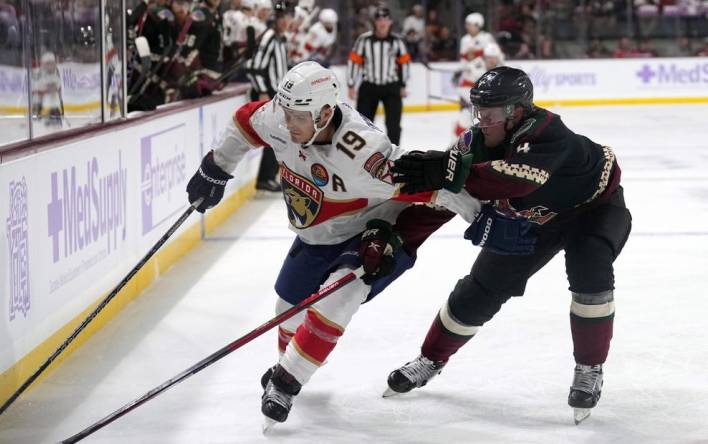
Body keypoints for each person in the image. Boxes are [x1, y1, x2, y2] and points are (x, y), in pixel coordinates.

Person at [185, 61, 488, 429]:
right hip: (314, 236)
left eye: (298, 116)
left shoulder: (361, 153)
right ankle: (290, 361)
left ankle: (287, 381)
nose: (286, 122)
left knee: (340, 295)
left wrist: (482, 219)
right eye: (285, 112)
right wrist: (217, 166)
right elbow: (246, 121)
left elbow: (431, 186)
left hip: (369, 232)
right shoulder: (280, 117)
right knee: (287, 308)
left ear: (325, 113)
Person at [385, 67, 632, 425]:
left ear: (517, 112)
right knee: (482, 288)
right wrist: (399, 240)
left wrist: (452, 172)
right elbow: (444, 201)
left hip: (594, 211)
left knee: (590, 271)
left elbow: (515, 180)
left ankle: (590, 367)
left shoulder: (549, 133)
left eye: (492, 113)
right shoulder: (471, 146)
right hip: (537, 218)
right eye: (478, 111)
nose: (482, 120)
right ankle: (431, 358)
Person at [246, 0, 293, 193]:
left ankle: (271, 175)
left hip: (280, 94)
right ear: (276, 17)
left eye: (288, 17)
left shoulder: (282, 39)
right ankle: (265, 178)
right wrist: (264, 90)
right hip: (271, 94)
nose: (285, 21)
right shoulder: (270, 37)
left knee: (281, 135)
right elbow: (253, 67)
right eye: (282, 17)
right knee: (275, 135)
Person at [347, 6, 411, 146]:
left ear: (390, 22)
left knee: (394, 125)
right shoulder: (364, 40)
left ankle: (394, 157)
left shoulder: (397, 42)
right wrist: (351, 84)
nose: (382, 23)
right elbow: (354, 62)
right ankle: (363, 154)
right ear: (375, 22)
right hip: (369, 86)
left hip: (391, 87)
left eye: (385, 19)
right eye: (379, 19)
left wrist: (403, 85)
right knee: (363, 124)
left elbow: (404, 64)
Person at [453, 12, 496, 137]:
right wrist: (458, 71)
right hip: (467, 83)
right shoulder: (465, 40)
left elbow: (493, 57)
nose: (467, 27)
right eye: (467, 24)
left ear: (478, 25)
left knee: (482, 116)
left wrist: (476, 53)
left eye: (470, 24)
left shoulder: (487, 38)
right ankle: (459, 141)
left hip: (482, 85)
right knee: (465, 114)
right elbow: (463, 60)